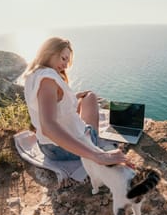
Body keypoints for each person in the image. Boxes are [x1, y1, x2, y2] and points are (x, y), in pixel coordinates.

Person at [23, 37, 127, 166]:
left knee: (83, 99)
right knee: (91, 96)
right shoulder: (48, 78)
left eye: (68, 60)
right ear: (49, 52)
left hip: (46, 147)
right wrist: (98, 155)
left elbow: (47, 106)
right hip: (64, 150)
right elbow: (48, 127)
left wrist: (73, 97)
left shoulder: (33, 75)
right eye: (63, 58)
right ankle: (91, 138)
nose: (66, 65)